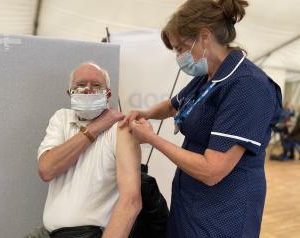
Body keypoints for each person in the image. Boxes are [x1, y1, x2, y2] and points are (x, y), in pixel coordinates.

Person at [120, 0, 282, 237]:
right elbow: (174, 105)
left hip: (224, 211)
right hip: (190, 201)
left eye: (180, 48)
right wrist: (146, 114)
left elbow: (212, 170)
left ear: (204, 37)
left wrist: (152, 139)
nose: (178, 57)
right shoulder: (210, 76)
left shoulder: (247, 87)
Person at [31, 62, 142, 238]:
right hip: (47, 233)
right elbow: (46, 169)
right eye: (81, 85)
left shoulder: (120, 129)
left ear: (108, 94)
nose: (88, 89)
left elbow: (132, 201)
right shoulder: (61, 118)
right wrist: (96, 127)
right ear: (70, 93)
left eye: (96, 85)